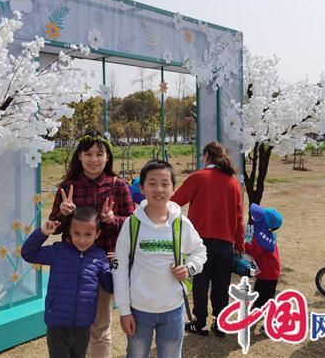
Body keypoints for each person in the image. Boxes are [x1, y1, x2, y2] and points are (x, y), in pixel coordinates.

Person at [49, 130, 134, 357]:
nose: (94, 159)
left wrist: (112, 219)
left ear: (108, 157)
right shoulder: (68, 187)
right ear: (79, 156)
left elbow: (133, 225)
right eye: (88, 153)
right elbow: (54, 226)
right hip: (71, 266)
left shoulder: (119, 185)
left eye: (99, 154)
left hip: (104, 264)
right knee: (75, 326)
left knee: (100, 327)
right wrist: (62, 214)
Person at [113, 160, 207, 358]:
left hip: (173, 309)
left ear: (173, 189)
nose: (159, 189)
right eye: (152, 183)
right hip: (138, 309)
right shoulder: (132, 224)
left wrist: (189, 268)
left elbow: (200, 251)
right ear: (142, 188)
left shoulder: (180, 223)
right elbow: (119, 267)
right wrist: (124, 311)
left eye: (165, 184)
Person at [171, 141, 245, 337]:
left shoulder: (198, 177)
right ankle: (220, 323)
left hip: (200, 241)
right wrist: (240, 242)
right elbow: (239, 215)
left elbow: (175, 201)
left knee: (201, 283)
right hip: (226, 243)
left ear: (206, 156)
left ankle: (200, 322)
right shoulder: (233, 182)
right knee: (222, 284)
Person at [21, 206, 113, 358]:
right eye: (77, 233)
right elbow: (28, 253)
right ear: (69, 230)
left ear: (97, 234)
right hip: (57, 324)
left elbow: (109, 287)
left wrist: (117, 266)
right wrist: (42, 234)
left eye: (88, 234)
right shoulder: (59, 251)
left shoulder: (100, 257)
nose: (82, 239)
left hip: (83, 325)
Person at [245, 203, 283, 310]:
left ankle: (271, 321)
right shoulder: (266, 234)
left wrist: (244, 243)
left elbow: (254, 251)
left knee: (264, 300)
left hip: (268, 275)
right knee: (260, 295)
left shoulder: (262, 238)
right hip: (267, 274)